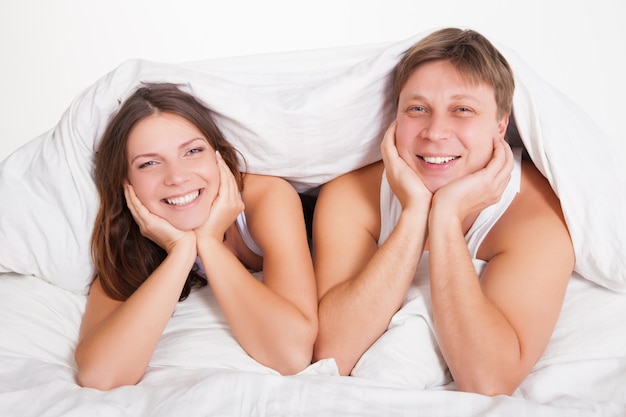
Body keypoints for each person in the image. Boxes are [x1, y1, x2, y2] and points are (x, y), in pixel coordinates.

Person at [312, 28, 575, 396]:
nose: (435, 132)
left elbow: (487, 381)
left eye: (462, 110)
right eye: (417, 109)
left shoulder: (536, 213)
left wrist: (447, 218)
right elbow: (334, 354)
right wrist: (415, 212)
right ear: (396, 120)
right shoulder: (350, 194)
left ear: (501, 125)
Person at [75, 83, 318, 390]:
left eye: (192, 151)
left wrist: (209, 243)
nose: (176, 177)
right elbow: (100, 375)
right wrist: (181, 251)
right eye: (148, 163)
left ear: (219, 156)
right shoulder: (129, 237)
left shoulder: (267, 198)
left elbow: (291, 355)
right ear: (127, 182)